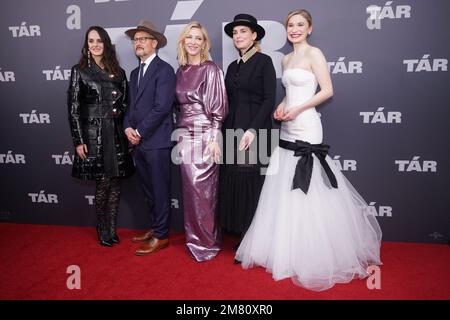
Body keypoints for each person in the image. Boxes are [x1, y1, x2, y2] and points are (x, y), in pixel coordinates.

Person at [235, 9, 382, 291]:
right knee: (284, 182)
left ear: (310, 28)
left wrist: (298, 109)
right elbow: (291, 92)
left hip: (307, 124)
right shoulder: (287, 58)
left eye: (300, 25)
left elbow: (327, 90)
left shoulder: (314, 54)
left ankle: (312, 249)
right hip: (288, 124)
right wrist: (282, 106)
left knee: (309, 182)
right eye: (290, 25)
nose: (295, 29)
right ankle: (287, 247)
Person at [68, 26, 135, 247]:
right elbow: (74, 109)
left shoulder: (119, 72)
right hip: (94, 135)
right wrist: (79, 140)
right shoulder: (80, 71)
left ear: (106, 43)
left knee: (115, 183)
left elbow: (126, 104)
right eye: (91, 41)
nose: (95, 45)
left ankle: (112, 229)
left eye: (99, 41)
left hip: (115, 133)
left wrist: (121, 120)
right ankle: (102, 227)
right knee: (103, 183)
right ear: (86, 45)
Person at [219, 14, 276, 252]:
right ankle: (239, 232)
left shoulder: (264, 61)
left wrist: (253, 130)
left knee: (251, 183)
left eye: (243, 31)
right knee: (234, 181)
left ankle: (251, 239)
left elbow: (269, 99)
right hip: (232, 129)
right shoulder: (232, 67)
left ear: (254, 36)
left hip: (256, 131)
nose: (238, 36)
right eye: (235, 33)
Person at [174, 22, 229, 262]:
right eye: (190, 38)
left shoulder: (211, 69)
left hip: (206, 134)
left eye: (198, 38)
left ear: (204, 43)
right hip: (184, 135)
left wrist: (215, 137)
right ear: (183, 42)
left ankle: (208, 241)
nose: (194, 42)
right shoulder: (181, 70)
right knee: (190, 191)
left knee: (205, 192)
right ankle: (194, 239)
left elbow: (219, 107)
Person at [123, 20, 176, 256]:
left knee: (160, 189)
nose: (138, 43)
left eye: (143, 39)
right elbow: (131, 107)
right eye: (136, 39)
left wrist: (140, 132)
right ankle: (155, 228)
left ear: (154, 43)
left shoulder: (164, 70)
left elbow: (162, 107)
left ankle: (162, 236)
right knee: (148, 190)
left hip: (157, 141)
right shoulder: (134, 73)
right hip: (139, 143)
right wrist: (127, 128)